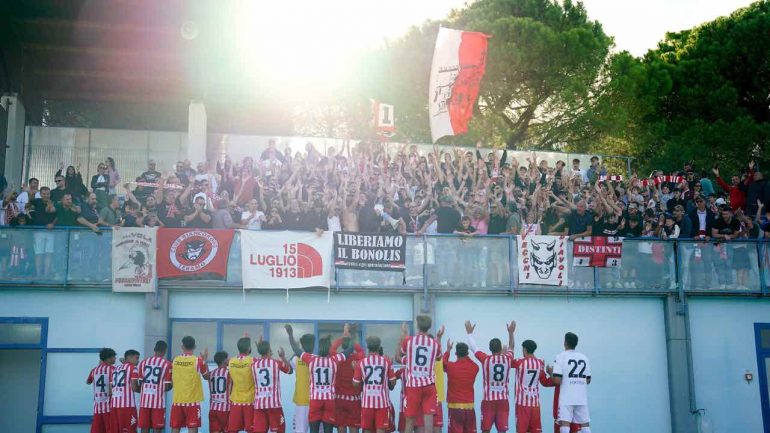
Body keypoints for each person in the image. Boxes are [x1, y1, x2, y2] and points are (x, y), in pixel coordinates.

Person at [464, 321, 515, 433]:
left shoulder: (486, 359)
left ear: (490, 348)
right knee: (502, 431)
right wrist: (511, 333)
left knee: (485, 430)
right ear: (501, 348)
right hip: (503, 401)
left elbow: (473, 347)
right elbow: (511, 346)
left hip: (488, 402)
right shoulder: (507, 359)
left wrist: (469, 333)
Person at [397, 316, 445, 433]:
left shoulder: (409, 341)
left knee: (410, 420)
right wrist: (438, 338)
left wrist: (404, 334)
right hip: (429, 385)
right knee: (428, 420)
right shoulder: (434, 344)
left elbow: (401, 355)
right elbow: (439, 357)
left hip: (413, 385)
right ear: (429, 327)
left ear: (417, 326)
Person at [300, 331, 350, 433]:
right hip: (329, 401)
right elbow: (348, 351)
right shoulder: (334, 360)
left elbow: (296, 350)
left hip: (315, 400)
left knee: (314, 431)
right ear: (329, 348)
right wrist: (349, 338)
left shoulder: (311, 359)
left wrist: (290, 335)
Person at [352, 336, 397, 433]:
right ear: (379, 347)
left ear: (367, 347)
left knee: (367, 430)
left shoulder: (361, 363)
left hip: (367, 403)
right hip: (382, 403)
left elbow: (355, 384)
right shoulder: (386, 362)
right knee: (381, 429)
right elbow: (393, 382)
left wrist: (355, 370)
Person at [551, 333, 592, 433]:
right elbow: (588, 380)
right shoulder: (584, 358)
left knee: (565, 425)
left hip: (567, 397)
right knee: (585, 425)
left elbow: (557, 381)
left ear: (565, 342)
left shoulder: (560, 356)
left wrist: (551, 374)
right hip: (581, 397)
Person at [252, 340, 293, 433]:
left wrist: (260, 348)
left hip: (259, 405)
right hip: (274, 405)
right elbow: (290, 371)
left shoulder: (253, 364)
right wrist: (283, 357)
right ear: (269, 350)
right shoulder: (276, 363)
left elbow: (258, 358)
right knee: (279, 431)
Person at [171, 336, 209, 433]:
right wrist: (205, 361)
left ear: (182, 346)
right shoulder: (198, 361)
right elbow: (207, 377)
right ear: (195, 346)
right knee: (192, 428)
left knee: (175, 428)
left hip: (177, 400)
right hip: (192, 401)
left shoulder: (174, 360)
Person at [331, 329, 365, 433]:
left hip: (339, 399)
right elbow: (361, 351)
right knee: (354, 427)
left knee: (341, 426)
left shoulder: (336, 359)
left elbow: (332, 348)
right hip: (354, 400)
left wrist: (343, 338)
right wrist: (350, 339)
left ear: (343, 347)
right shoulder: (357, 359)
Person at [513, 339, 551, 433]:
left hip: (522, 404)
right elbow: (545, 382)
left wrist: (504, 353)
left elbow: (504, 364)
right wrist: (552, 375)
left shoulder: (519, 362)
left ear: (525, 349)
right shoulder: (540, 363)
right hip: (535, 404)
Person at [135, 340, 173, 433]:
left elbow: (140, 383)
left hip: (144, 401)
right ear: (164, 351)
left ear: (154, 350)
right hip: (158, 402)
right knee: (157, 428)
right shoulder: (167, 364)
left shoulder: (143, 363)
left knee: (144, 427)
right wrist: (172, 384)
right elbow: (167, 386)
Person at [442, 340, 479, 433]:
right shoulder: (474, 368)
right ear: (467, 354)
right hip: (469, 408)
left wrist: (448, 350)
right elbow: (474, 364)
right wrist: (466, 355)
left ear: (456, 353)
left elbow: (443, 362)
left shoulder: (451, 367)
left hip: (455, 408)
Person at [286, 325, 314, 433]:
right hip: (314, 401)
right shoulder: (316, 359)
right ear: (313, 345)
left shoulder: (297, 359)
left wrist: (291, 336)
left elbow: (287, 364)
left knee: (300, 431)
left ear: (302, 346)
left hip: (302, 402)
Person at [228, 336, 256, 433]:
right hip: (250, 400)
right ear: (249, 348)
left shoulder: (231, 361)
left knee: (233, 430)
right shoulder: (253, 361)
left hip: (235, 400)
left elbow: (231, 380)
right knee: (251, 430)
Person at [87, 347, 117, 433]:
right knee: (110, 429)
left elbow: (88, 381)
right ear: (109, 358)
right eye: (114, 357)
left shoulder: (94, 370)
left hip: (97, 406)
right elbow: (112, 388)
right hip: (109, 406)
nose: (115, 359)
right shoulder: (113, 370)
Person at [110, 349, 140, 433]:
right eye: (136, 358)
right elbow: (134, 387)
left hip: (114, 405)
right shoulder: (133, 368)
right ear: (129, 358)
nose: (138, 361)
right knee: (131, 430)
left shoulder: (116, 369)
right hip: (127, 406)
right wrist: (144, 390)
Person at [208, 351, 231, 433]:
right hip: (226, 408)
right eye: (227, 358)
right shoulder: (229, 373)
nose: (229, 360)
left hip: (213, 408)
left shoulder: (210, 374)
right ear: (224, 360)